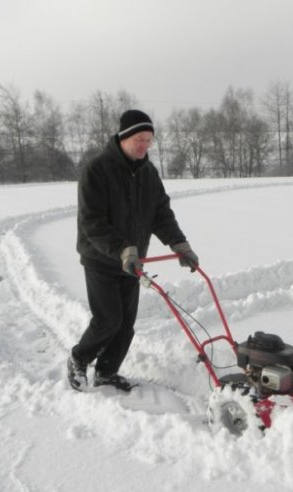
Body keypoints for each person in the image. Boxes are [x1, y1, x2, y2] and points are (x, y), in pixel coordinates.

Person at [67, 109, 199, 392]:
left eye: (149, 140)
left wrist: (179, 244)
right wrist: (122, 249)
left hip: (132, 260)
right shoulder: (97, 170)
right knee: (108, 320)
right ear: (124, 138)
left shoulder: (148, 173)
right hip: (101, 258)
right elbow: (93, 222)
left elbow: (161, 214)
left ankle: (105, 372)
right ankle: (79, 359)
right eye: (139, 139)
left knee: (126, 324)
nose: (144, 146)